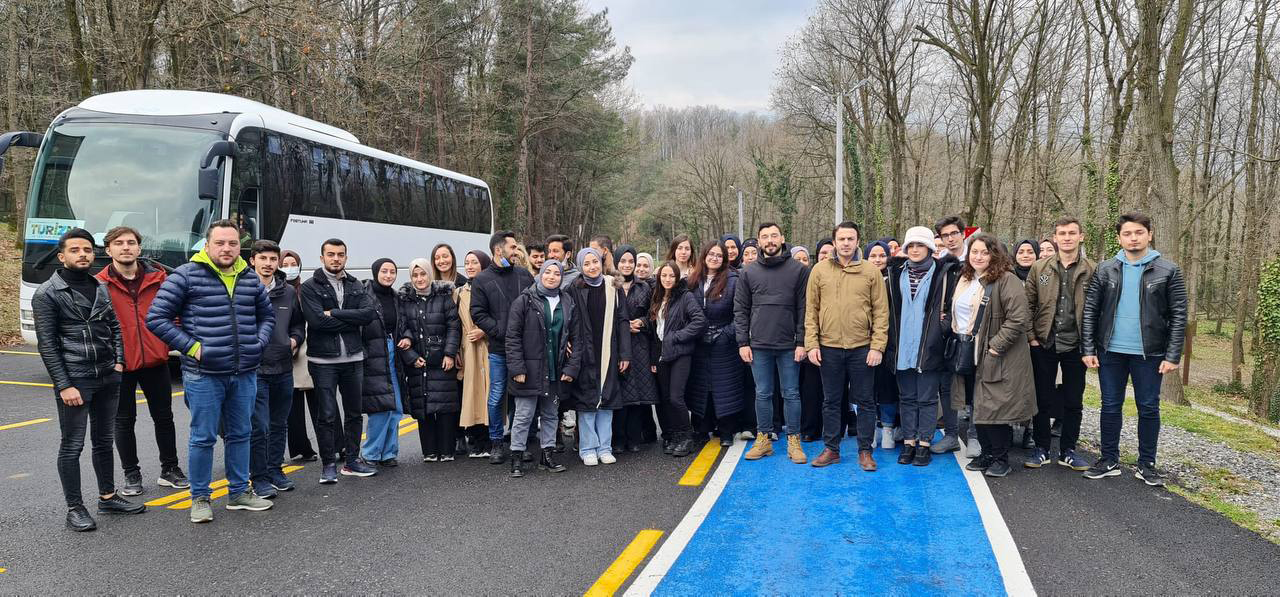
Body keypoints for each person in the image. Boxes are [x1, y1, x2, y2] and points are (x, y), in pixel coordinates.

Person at [147, 220, 275, 522]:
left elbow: (266, 316)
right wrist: (193, 348)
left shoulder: (248, 277)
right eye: (220, 243)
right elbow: (156, 318)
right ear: (207, 245)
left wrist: (258, 343)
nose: (227, 248)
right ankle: (200, 498)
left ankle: (239, 493)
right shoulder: (186, 276)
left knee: (241, 433)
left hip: (244, 371)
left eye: (232, 243)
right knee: (203, 437)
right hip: (204, 375)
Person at [36, 228, 146, 531]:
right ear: (62, 256)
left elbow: (114, 326)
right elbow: (47, 344)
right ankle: (75, 508)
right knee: (72, 446)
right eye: (75, 250)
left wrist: (120, 363)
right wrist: (64, 385)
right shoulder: (48, 293)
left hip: (107, 375)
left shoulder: (99, 286)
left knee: (103, 441)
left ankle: (107, 496)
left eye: (86, 249)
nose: (82, 254)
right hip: (75, 379)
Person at [1082, 212, 1187, 486]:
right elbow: (1091, 310)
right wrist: (1088, 348)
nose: (1133, 238)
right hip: (1110, 351)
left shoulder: (1168, 270)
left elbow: (1178, 315)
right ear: (1119, 238)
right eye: (1127, 233)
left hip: (1150, 353)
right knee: (1110, 405)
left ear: (1149, 234)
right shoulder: (1105, 269)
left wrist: (1173, 355)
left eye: (1139, 232)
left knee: (1149, 407)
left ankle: (1147, 464)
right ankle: (1108, 459)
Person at [94, 226, 186, 496]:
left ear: (139, 248)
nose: (126, 247)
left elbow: (174, 313)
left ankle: (170, 469)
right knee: (123, 421)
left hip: (156, 361)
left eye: (131, 242)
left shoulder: (159, 279)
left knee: (164, 418)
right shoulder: (99, 284)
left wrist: (168, 343)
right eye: (119, 243)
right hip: (120, 365)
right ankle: (131, 474)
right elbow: (96, 326)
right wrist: (110, 357)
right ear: (108, 249)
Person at [804, 222, 889, 471]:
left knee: (864, 401)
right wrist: (811, 344)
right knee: (831, 401)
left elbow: (881, 312)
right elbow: (811, 311)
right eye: (841, 239)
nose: (846, 243)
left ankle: (865, 451)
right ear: (834, 242)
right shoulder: (818, 271)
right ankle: (831, 449)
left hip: (862, 347)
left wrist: (877, 347)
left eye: (850, 239)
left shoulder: (870, 272)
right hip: (828, 347)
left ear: (857, 241)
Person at [951, 234, 1036, 477]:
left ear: (995, 255)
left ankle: (1001, 457)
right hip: (969, 349)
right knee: (977, 405)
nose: (978, 256)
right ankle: (986, 453)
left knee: (995, 407)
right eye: (974, 252)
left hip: (997, 353)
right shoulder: (966, 279)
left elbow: (1018, 318)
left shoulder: (1006, 280)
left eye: (984, 252)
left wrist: (996, 346)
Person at [299, 238, 379, 484]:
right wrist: (350, 319)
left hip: (353, 357)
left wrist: (333, 312)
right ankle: (329, 464)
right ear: (322, 257)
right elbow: (316, 322)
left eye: (340, 254)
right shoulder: (310, 286)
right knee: (327, 415)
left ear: (346, 257)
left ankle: (352, 460)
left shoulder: (356, 284)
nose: (336, 258)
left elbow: (368, 314)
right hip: (323, 361)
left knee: (354, 413)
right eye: (331, 254)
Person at [1025, 217, 1094, 471]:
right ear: (1055, 238)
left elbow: (1097, 310)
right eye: (1062, 233)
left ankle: (1068, 450)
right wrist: (1031, 336)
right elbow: (1027, 305)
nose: (1067, 237)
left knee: (1073, 400)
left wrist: (1091, 345)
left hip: (1076, 345)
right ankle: (1041, 447)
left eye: (1072, 233)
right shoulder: (1039, 268)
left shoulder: (1092, 269)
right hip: (1044, 343)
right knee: (1042, 398)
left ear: (1081, 236)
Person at [737, 222, 810, 464]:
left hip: (789, 345)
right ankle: (764, 439)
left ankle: (794, 439)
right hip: (758, 345)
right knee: (763, 393)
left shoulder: (798, 271)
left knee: (791, 393)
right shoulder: (748, 272)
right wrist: (742, 343)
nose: (770, 240)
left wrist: (801, 342)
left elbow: (804, 309)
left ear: (782, 238)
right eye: (765, 237)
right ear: (758, 242)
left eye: (774, 236)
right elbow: (741, 310)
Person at [886, 226, 958, 466]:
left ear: (929, 248)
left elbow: (953, 307)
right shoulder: (895, 273)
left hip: (930, 344)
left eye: (920, 245)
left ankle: (924, 444)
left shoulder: (944, 274)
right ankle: (908, 442)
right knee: (906, 397)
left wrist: (943, 328)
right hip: (902, 345)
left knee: (927, 398)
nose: (915, 249)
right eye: (911, 246)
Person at [505, 260, 580, 477]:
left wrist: (571, 367)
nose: (552, 276)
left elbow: (577, 338)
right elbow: (512, 337)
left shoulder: (567, 302)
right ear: (540, 274)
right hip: (528, 370)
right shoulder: (524, 301)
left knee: (550, 414)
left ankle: (547, 455)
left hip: (555, 369)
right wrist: (517, 368)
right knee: (523, 415)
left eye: (557, 273)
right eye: (548, 272)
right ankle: (517, 456)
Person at [470, 231, 535, 464]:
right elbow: (477, 312)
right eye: (513, 247)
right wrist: (499, 331)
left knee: (522, 397)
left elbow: (534, 304)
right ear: (499, 250)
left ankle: (519, 443)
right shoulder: (482, 280)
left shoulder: (524, 275)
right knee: (496, 397)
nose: (516, 251)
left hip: (525, 349)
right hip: (498, 349)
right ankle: (496, 442)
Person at [247, 241, 306, 499]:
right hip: (255, 368)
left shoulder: (288, 293)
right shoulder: (243, 289)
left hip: (283, 367)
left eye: (273, 259)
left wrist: (294, 340)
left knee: (279, 423)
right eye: (263, 258)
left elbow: (298, 324)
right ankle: (258, 477)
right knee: (259, 427)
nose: (269, 263)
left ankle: (274, 470)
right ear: (253, 261)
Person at [567, 248, 632, 465]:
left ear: (601, 262)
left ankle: (605, 447)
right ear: (580, 266)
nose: (592, 266)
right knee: (586, 401)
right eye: (586, 263)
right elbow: (566, 320)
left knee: (607, 399)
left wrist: (625, 353)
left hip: (609, 351)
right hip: (584, 351)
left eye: (595, 261)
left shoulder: (613, 286)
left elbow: (623, 321)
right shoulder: (573, 288)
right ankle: (587, 448)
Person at [398, 258, 462, 462]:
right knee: (423, 408)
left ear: (429, 274)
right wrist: (410, 357)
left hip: (442, 360)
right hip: (419, 362)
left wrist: (450, 354)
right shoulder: (405, 301)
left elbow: (454, 326)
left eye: (423, 274)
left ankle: (447, 450)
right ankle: (429, 451)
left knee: (445, 407)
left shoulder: (443, 297)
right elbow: (401, 329)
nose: (419, 279)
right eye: (415, 275)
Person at [687, 241, 746, 447]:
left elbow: (740, 312)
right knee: (700, 386)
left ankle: (726, 431)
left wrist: (726, 334)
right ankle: (702, 428)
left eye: (719, 255)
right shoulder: (692, 281)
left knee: (725, 387)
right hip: (699, 341)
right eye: (711, 254)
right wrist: (695, 332)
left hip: (724, 341)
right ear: (704, 256)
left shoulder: (733, 280)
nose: (714, 258)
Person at [650, 261, 706, 456]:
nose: (667, 279)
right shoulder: (657, 297)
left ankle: (686, 437)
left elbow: (699, 321)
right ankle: (674, 435)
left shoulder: (685, 296)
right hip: (662, 356)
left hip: (681, 354)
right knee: (665, 399)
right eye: (663, 275)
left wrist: (676, 337)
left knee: (676, 397)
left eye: (671, 276)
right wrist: (653, 359)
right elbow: (654, 330)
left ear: (677, 278)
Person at [283, 250, 328, 462]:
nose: (289, 267)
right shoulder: (278, 290)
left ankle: (334, 446)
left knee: (321, 403)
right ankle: (301, 448)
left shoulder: (308, 288)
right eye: (286, 263)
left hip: (311, 351)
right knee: (292, 406)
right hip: (288, 351)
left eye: (294, 263)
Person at [932, 215, 972, 455]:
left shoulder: (977, 259)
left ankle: (976, 435)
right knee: (946, 385)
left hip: (974, 331)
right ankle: (951, 434)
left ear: (963, 234)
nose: (950, 238)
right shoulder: (941, 264)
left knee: (976, 385)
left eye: (954, 233)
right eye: (945, 235)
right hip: (948, 332)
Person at [359, 258, 405, 467]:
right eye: (384, 271)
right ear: (376, 271)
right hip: (373, 354)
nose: (388, 275)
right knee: (379, 406)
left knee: (395, 406)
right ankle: (370, 453)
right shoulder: (364, 294)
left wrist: (408, 338)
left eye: (392, 271)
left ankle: (388, 452)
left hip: (393, 351)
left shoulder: (396, 297)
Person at [615, 245, 659, 453]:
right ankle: (617, 439)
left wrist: (640, 322)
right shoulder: (609, 285)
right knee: (618, 394)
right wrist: (621, 326)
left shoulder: (644, 288)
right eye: (623, 261)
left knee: (636, 395)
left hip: (639, 345)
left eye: (630, 261)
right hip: (615, 346)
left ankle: (634, 438)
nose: (627, 265)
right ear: (616, 262)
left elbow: (654, 316)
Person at [456, 250, 493, 457]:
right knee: (470, 394)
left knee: (489, 394)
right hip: (467, 348)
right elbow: (455, 324)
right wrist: (456, 350)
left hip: (488, 346)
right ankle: (475, 438)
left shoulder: (491, 287)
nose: (470, 266)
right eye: (467, 262)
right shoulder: (459, 292)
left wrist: (484, 330)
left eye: (474, 262)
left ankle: (489, 439)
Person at [865, 240, 899, 448]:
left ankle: (888, 427)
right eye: (873, 256)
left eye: (881, 255)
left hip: (889, 342)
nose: (878, 260)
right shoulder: (860, 278)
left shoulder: (895, 279)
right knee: (867, 389)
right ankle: (873, 427)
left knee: (888, 388)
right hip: (862, 342)